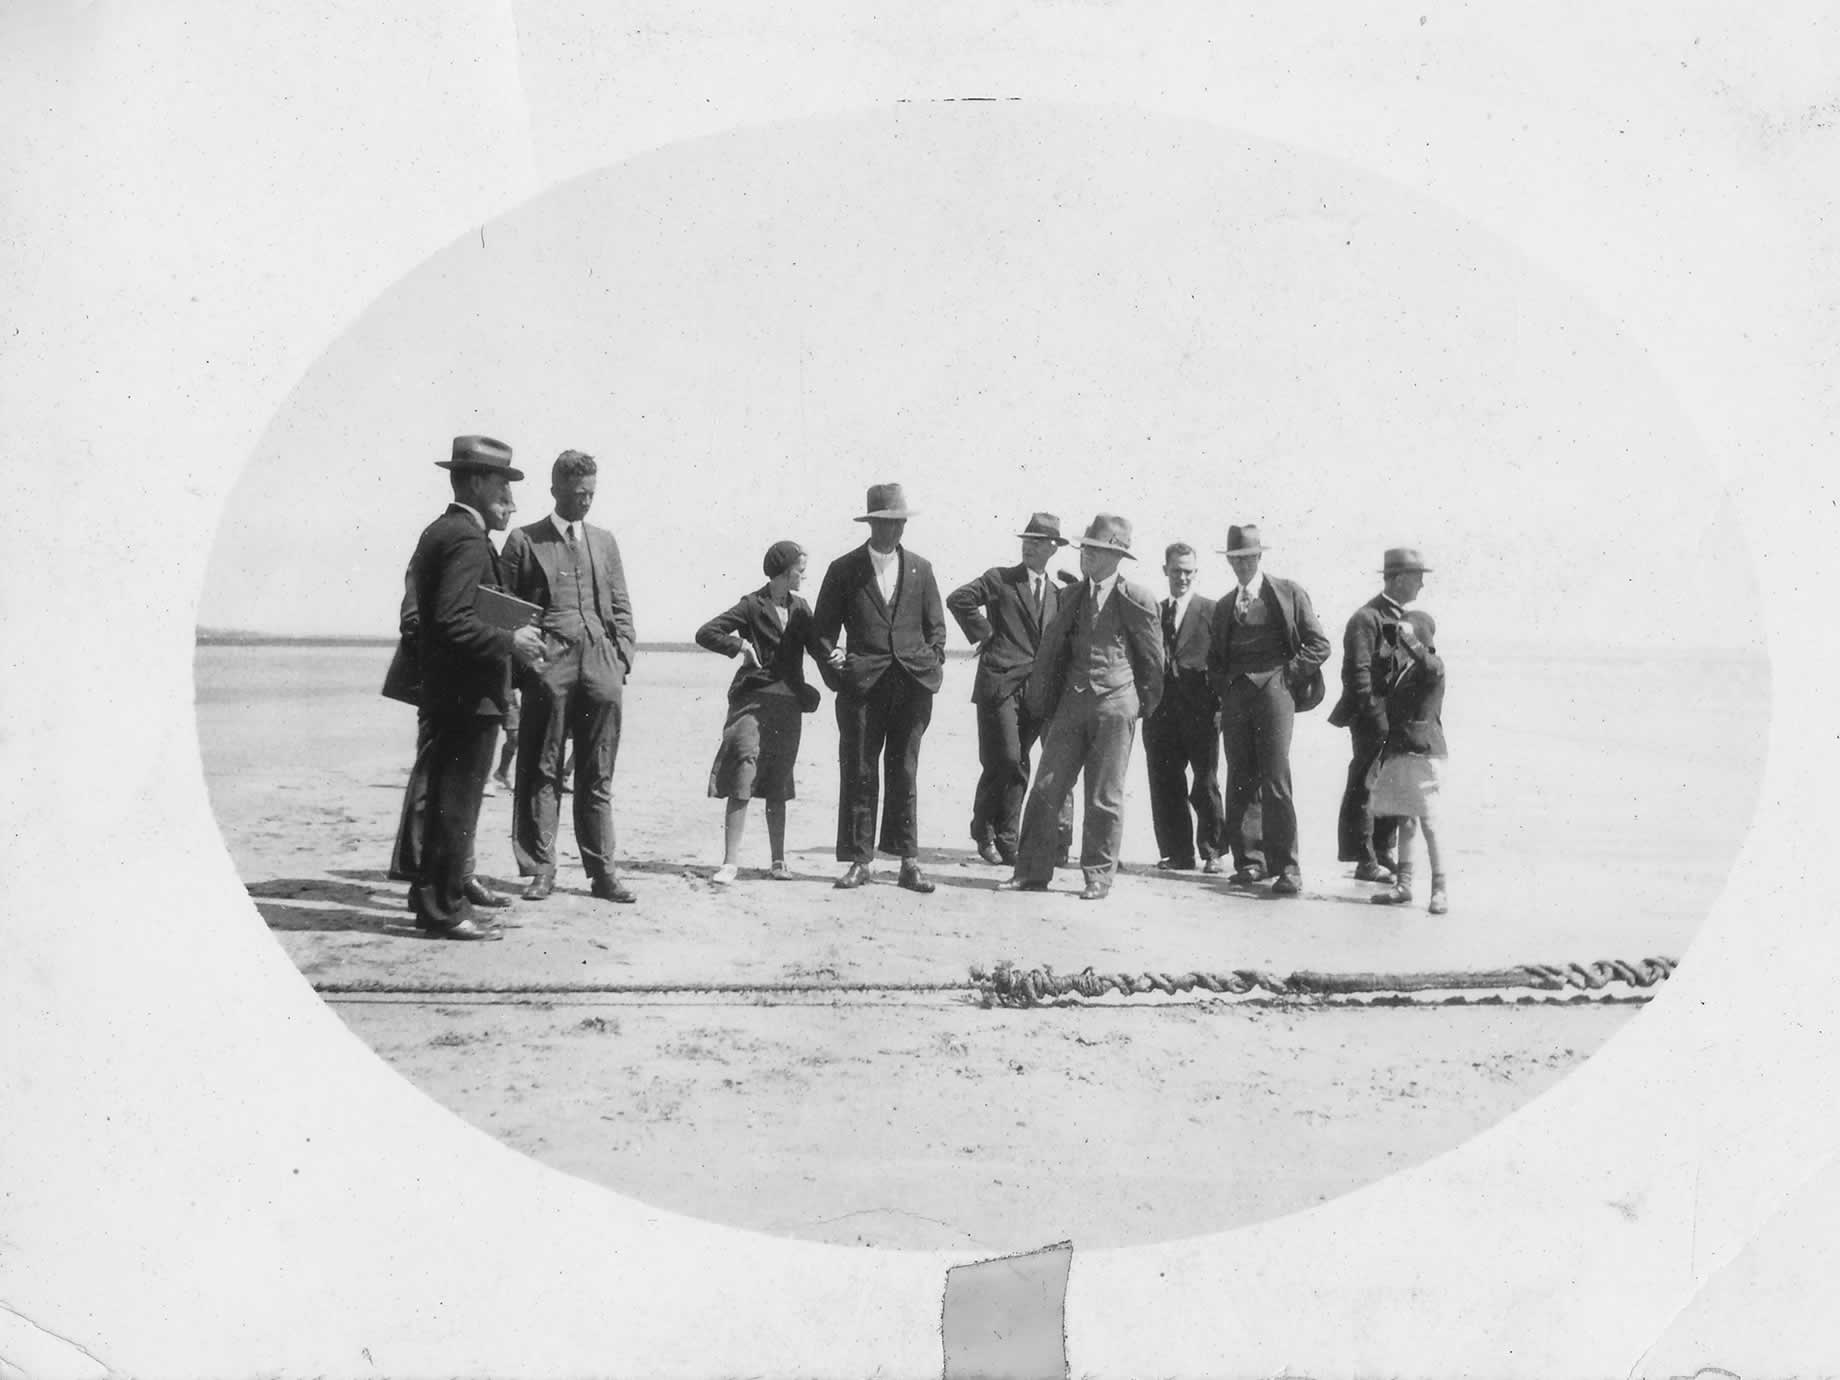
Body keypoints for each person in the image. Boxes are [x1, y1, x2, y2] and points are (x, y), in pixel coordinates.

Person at [406, 435, 547, 939]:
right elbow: (452, 622)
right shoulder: (465, 537)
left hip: (454, 693)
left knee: (451, 801)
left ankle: (440, 899)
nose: (508, 495)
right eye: (502, 483)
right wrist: (513, 640)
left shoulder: (446, 530)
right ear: (476, 481)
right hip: (467, 697)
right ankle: (443, 909)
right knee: (455, 804)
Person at [997, 514, 1163, 900]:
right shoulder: (1070, 596)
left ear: (1115, 556)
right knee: (1045, 788)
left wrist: (1138, 705)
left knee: (1104, 795)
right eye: (1085, 547)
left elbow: (1153, 662)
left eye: (1094, 549)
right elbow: (1053, 652)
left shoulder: (1136, 598)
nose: (1085, 554)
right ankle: (1031, 872)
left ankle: (1098, 877)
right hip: (1072, 705)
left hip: (1116, 704)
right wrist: (1046, 702)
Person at [499, 449, 639, 904]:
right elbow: (505, 610)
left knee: (598, 773)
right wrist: (530, 666)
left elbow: (620, 604)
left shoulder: (605, 541)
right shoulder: (524, 540)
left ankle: (603, 873)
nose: (586, 502)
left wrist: (622, 657)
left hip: (601, 662)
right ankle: (542, 869)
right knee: (542, 767)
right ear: (556, 489)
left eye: (592, 494)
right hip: (549, 665)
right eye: (579, 493)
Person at [811, 482, 947, 893]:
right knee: (860, 772)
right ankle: (860, 860)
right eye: (888, 522)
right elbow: (821, 634)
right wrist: (838, 666)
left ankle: (908, 862)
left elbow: (937, 629)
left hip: (911, 688)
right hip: (862, 690)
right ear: (872, 524)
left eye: (901, 522)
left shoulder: (921, 568)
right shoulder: (843, 569)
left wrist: (932, 661)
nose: (896, 529)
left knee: (905, 772)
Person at [1205, 523, 1332, 897]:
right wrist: (1226, 689)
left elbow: (1319, 644)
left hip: (1276, 689)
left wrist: (1288, 676)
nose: (1242, 565)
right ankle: (1250, 861)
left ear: (1259, 556)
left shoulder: (1288, 592)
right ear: (1229, 561)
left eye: (1247, 558)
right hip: (1237, 696)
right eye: (1235, 559)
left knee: (1276, 778)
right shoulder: (1225, 605)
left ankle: (1288, 868)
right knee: (1239, 776)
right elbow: (1213, 659)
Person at [945, 512, 1077, 867]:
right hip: (999, 684)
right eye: (1026, 540)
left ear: (1054, 548)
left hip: (1036, 690)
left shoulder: (1057, 594)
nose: (1029, 547)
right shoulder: (1000, 579)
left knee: (1018, 764)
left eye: (1038, 542)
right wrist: (986, 633)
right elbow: (959, 599)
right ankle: (983, 831)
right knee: (1002, 758)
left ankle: (1006, 838)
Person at [382, 553, 510, 913]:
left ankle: (458, 874)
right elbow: (414, 620)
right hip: (441, 689)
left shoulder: (472, 554)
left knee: (462, 793)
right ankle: (429, 880)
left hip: (473, 687)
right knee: (431, 789)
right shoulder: (439, 555)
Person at [695, 540, 824, 883]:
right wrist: (740, 646)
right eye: (800, 570)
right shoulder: (752, 605)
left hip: (788, 707)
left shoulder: (802, 608)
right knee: (742, 773)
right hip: (751, 704)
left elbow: (818, 647)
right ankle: (729, 863)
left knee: (779, 780)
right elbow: (706, 632)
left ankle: (778, 861)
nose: (804, 576)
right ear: (783, 572)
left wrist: (837, 655)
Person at [1327, 553, 1420, 882]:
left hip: (1396, 719)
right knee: (1366, 786)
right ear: (1396, 579)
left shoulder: (1401, 617)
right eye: (1416, 576)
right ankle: (1365, 860)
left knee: (1389, 786)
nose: (1421, 583)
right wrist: (1374, 714)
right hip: (1373, 719)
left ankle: (1382, 851)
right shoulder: (1366, 618)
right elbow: (1357, 673)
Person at [1365, 551, 1448, 914]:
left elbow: (1429, 664)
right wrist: (1386, 648)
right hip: (1402, 751)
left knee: (1428, 822)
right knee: (1405, 819)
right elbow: (1380, 686)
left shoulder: (1432, 666)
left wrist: (1410, 639)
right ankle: (1405, 885)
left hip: (1424, 753)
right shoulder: (1401, 670)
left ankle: (1439, 889)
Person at [1142, 542, 1226, 874]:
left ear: (1196, 573)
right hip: (1160, 712)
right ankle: (1177, 853)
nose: (1182, 577)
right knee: (1164, 782)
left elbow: (1223, 659)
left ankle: (1213, 851)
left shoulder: (1213, 610)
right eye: (1176, 570)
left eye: (1188, 571)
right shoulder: (1154, 610)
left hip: (1201, 712)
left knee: (1205, 783)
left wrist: (1218, 702)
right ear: (1165, 570)